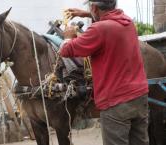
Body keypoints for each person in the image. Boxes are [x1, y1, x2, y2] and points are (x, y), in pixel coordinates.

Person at [59, 0, 149, 145]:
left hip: (116, 101)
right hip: (139, 96)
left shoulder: (99, 29)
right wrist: (87, 14)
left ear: (95, 7)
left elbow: (66, 50)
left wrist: (68, 37)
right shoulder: (127, 22)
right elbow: (110, 18)